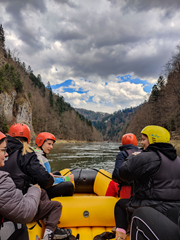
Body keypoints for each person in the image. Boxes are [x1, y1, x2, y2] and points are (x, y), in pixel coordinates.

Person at [0, 123, 72, 240]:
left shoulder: (4, 151)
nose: (51, 147)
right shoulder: (25, 153)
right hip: (20, 201)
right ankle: (49, 234)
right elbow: (44, 179)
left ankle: (46, 217)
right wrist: (59, 179)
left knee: (42, 192)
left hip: (11, 196)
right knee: (57, 203)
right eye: (49, 144)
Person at [114, 125, 180, 240]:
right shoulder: (177, 159)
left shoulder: (148, 156)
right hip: (175, 208)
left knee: (120, 204)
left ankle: (121, 235)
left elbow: (123, 173)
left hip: (153, 206)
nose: (142, 143)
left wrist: (132, 157)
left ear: (153, 139)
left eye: (144, 139)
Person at [0, 131, 41, 240]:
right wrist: (35, 189)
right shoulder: (1, 180)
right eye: (3, 150)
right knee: (21, 227)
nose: (6, 154)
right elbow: (25, 212)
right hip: (20, 204)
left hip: (10, 204)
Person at [34, 132, 74, 198]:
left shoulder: (38, 153)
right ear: (41, 143)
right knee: (69, 185)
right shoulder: (38, 157)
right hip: (41, 190)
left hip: (42, 184)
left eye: (52, 144)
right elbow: (46, 180)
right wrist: (65, 179)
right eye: (49, 144)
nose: (51, 147)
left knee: (57, 173)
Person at [105, 133, 140, 198]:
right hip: (141, 190)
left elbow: (116, 176)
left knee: (112, 183)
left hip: (128, 191)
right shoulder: (143, 152)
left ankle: (106, 203)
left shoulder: (122, 154)